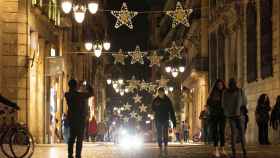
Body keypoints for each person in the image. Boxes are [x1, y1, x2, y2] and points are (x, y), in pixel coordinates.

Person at [65, 79, 93, 158]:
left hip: (72, 119)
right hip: (80, 120)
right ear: (75, 86)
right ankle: (78, 155)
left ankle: (70, 155)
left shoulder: (67, 94)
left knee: (71, 138)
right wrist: (88, 84)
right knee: (79, 139)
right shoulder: (79, 95)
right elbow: (91, 93)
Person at [222, 78, 247, 158]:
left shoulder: (225, 92)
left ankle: (234, 154)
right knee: (242, 133)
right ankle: (244, 152)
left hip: (230, 116)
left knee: (233, 134)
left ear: (229, 84)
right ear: (235, 83)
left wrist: (228, 112)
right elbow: (245, 102)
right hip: (239, 114)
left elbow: (223, 105)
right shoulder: (240, 91)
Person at [152, 87, 176, 156]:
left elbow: (171, 111)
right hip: (158, 119)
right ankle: (160, 145)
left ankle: (165, 145)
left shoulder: (167, 100)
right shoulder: (155, 100)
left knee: (165, 133)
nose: (160, 94)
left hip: (165, 119)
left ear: (164, 92)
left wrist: (174, 122)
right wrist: (155, 112)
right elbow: (153, 108)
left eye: (162, 92)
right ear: (158, 93)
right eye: (159, 93)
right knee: (159, 133)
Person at [207, 79, 226, 157]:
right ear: (216, 85)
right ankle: (216, 149)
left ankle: (222, 148)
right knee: (215, 131)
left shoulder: (225, 93)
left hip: (223, 115)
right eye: (218, 84)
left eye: (221, 84)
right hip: (214, 115)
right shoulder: (212, 93)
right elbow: (208, 103)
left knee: (222, 131)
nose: (220, 86)